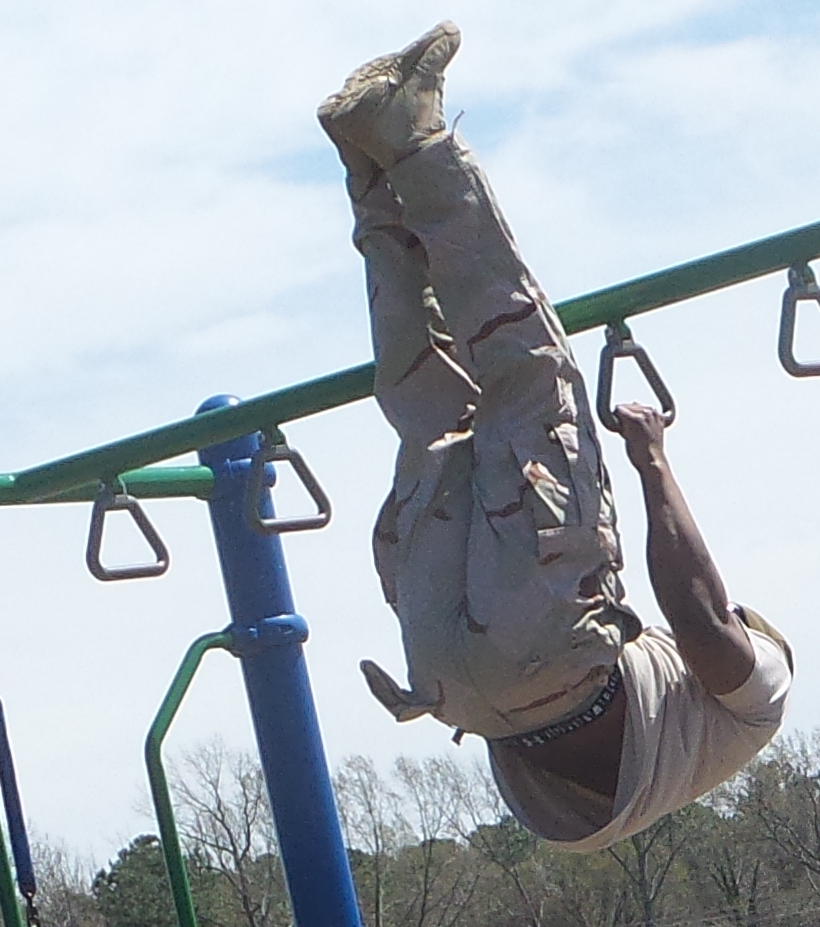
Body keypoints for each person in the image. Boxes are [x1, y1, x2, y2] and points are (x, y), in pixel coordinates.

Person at [318, 22, 792, 852]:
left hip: (552, 660)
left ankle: (415, 137)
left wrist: (652, 463)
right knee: (431, 410)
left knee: (531, 377)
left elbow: (697, 614)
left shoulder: (761, 700)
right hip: (452, 681)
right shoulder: (676, 752)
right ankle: (370, 171)